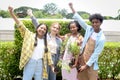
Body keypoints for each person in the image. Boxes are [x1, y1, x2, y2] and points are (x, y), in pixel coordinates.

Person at [8, 6, 54, 80]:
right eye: (41, 28)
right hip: (30, 61)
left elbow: (48, 55)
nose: (42, 30)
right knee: (27, 78)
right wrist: (11, 13)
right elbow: (20, 25)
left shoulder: (46, 42)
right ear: (37, 28)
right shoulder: (29, 35)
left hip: (40, 63)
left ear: (45, 32)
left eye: (44, 29)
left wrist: (52, 67)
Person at [69, 2, 106, 80]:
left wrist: (86, 65)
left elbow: (96, 54)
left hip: (91, 62)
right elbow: (80, 20)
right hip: (82, 58)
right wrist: (72, 7)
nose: (94, 24)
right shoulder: (89, 29)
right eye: (93, 22)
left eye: (97, 22)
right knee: (81, 77)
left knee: (91, 77)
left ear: (101, 22)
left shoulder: (102, 38)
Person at [27, 9, 62, 80]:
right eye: (54, 27)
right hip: (45, 58)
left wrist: (58, 63)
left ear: (58, 30)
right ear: (51, 27)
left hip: (54, 59)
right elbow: (37, 24)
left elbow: (59, 53)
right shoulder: (45, 36)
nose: (55, 29)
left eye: (57, 28)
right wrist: (31, 15)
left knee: (52, 77)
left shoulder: (59, 40)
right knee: (44, 77)